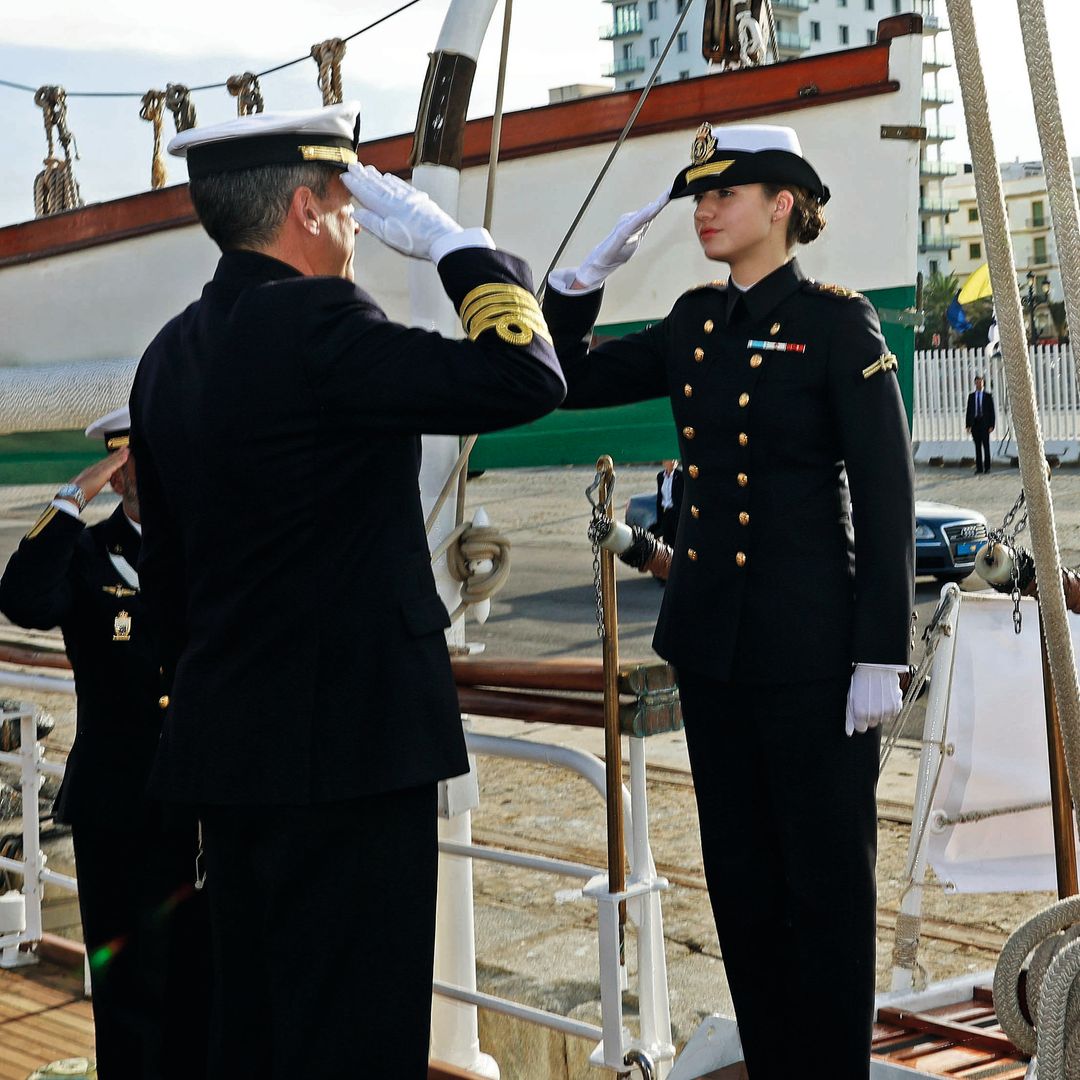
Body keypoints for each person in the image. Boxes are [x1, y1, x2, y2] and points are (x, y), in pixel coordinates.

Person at [127, 102, 565, 1080]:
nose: (364, 220)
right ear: (305, 207)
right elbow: (525, 380)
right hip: (352, 757)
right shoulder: (319, 324)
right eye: (351, 200)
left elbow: (168, 587)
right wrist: (461, 252)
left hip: (232, 755)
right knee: (357, 1032)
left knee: (256, 1023)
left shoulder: (170, 355)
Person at [541, 124, 914, 1078]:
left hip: (813, 653)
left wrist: (881, 648)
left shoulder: (839, 322)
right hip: (712, 650)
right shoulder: (694, 319)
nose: (703, 210)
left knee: (825, 887)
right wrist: (578, 287)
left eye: (726, 194)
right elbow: (562, 377)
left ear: (784, 203)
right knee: (743, 882)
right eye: (698, 197)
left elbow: (883, 489)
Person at [0, 407, 210, 1080]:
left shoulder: (207, 547)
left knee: (199, 975)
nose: (147, 474)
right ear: (117, 474)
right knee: (122, 982)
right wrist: (73, 498)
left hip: (200, 804)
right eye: (131, 463)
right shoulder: (87, 553)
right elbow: (23, 598)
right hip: (114, 804)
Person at [966, 373, 996, 474]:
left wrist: (992, 425)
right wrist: (968, 425)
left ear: (983, 383)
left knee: (986, 447)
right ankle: (979, 468)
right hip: (975, 424)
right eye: (977, 382)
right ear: (975, 383)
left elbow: (992, 411)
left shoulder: (988, 396)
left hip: (985, 424)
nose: (979, 384)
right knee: (977, 447)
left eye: (981, 382)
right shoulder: (971, 396)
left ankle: (987, 468)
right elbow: (969, 411)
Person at [655, 459, 683, 547]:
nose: (673, 461)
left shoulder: (681, 476)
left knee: (678, 542)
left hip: (676, 514)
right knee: (667, 542)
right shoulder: (660, 476)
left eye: (675, 459)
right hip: (665, 513)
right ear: (664, 462)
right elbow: (660, 497)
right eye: (670, 459)